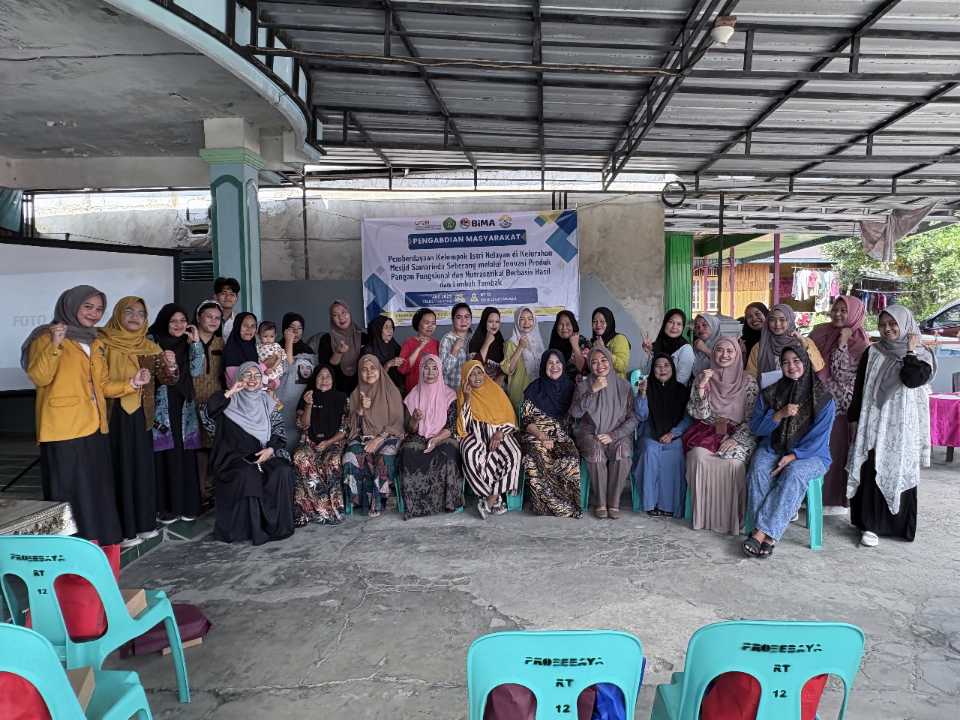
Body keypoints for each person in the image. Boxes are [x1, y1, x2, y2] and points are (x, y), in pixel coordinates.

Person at [22, 285, 147, 545]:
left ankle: (98, 543)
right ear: (70, 305)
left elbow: (102, 385)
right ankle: (70, 549)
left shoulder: (95, 341)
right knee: (69, 494)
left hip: (95, 426)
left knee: (96, 492)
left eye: (99, 309)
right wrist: (55, 344)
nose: (94, 313)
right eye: (87, 307)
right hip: (62, 429)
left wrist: (132, 383)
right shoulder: (45, 336)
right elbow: (39, 376)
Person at [846, 305, 935, 546]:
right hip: (873, 421)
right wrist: (853, 419)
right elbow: (860, 387)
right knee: (872, 466)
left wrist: (910, 351)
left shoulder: (922, 354)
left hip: (902, 426)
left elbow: (912, 379)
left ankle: (898, 526)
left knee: (898, 467)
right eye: (883, 324)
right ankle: (869, 526)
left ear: (905, 324)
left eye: (893, 324)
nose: (887, 329)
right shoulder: (873, 352)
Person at [743, 346, 836, 558]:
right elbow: (756, 428)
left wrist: (793, 456)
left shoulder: (823, 398)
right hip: (774, 446)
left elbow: (819, 438)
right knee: (758, 469)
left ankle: (761, 534)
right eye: (785, 362)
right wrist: (779, 415)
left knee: (794, 473)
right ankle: (766, 536)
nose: (791, 366)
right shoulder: (770, 393)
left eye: (796, 360)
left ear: (806, 362)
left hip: (811, 454)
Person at [99, 296, 177, 547]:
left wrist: (171, 366)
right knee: (118, 468)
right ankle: (122, 530)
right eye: (129, 312)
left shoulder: (149, 346)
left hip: (141, 416)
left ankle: (143, 524)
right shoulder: (102, 342)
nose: (135, 317)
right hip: (112, 415)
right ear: (118, 314)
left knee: (141, 468)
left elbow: (167, 380)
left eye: (141, 313)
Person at [205, 362, 296, 545]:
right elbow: (206, 415)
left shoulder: (267, 402)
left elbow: (279, 431)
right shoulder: (227, 402)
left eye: (257, 375)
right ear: (239, 378)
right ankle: (251, 530)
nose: (252, 379)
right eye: (247, 375)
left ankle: (277, 527)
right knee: (248, 474)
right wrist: (231, 392)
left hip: (265, 452)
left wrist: (271, 449)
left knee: (282, 471)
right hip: (234, 457)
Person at [685, 337, 759, 535]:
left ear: (737, 354)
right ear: (713, 353)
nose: (724, 355)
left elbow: (753, 418)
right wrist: (702, 387)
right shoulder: (702, 377)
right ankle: (704, 517)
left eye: (730, 351)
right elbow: (699, 414)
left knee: (733, 463)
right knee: (698, 457)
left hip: (739, 433)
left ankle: (731, 520)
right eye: (719, 350)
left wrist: (736, 439)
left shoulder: (749, 382)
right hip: (707, 430)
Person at [809, 296, 870, 514]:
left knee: (836, 448)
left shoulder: (860, 343)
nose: (838, 314)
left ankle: (833, 500)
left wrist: (843, 342)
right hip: (815, 400)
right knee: (815, 446)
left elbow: (841, 374)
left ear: (854, 313)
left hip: (841, 405)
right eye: (836, 309)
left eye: (844, 310)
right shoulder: (819, 332)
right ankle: (810, 496)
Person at [147, 303, 204, 524]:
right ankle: (167, 509)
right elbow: (149, 374)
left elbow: (197, 371)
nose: (179, 325)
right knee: (166, 455)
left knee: (184, 454)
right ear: (164, 322)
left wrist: (196, 343)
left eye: (182, 320)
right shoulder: (152, 341)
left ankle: (187, 506)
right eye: (173, 321)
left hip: (184, 406)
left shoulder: (187, 343)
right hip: (161, 406)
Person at [571, 347, 637, 519]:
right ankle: (600, 502)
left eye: (603, 360)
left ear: (610, 361)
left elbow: (633, 418)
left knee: (623, 452)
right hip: (590, 433)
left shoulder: (624, 386)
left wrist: (613, 435)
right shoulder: (583, 386)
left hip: (617, 433)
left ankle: (614, 502)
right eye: (594, 362)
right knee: (596, 451)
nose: (599, 365)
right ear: (589, 365)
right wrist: (592, 390)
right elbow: (575, 413)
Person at [398, 354, 462, 518]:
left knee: (448, 454)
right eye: (426, 368)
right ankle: (415, 506)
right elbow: (409, 429)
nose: (430, 372)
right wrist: (414, 419)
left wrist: (436, 439)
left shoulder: (449, 395)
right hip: (419, 436)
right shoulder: (413, 395)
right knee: (408, 452)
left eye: (434, 368)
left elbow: (451, 426)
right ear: (421, 370)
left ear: (440, 371)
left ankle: (447, 503)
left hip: (443, 436)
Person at [519, 349, 581, 517]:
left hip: (561, 435)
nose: (554, 366)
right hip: (535, 434)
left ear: (563, 365)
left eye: (558, 362)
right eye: (550, 363)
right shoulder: (534, 388)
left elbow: (575, 416)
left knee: (570, 457)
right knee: (535, 456)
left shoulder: (571, 388)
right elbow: (526, 420)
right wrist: (542, 436)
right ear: (544, 366)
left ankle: (566, 506)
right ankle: (542, 506)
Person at [457, 360, 522, 518]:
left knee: (514, 453)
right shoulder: (462, 393)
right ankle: (493, 498)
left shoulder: (495, 390)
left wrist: (500, 433)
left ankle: (491, 499)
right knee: (470, 453)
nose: (477, 377)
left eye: (479, 373)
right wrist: (467, 398)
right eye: (472, 374)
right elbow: (464, 426)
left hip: (500, 433)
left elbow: (510, 418)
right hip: (475, 435)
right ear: (466, 378)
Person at [343, 354, 406, 516]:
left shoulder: (391, 391)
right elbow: (352, 428)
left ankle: (378, 502)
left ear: (379, 369)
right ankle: (359, 500)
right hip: (363, 436)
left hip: (389, 436)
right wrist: (361, 409)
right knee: (351, 455)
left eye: (372, 368)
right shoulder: (356, 394)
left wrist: (379, 439)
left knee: (384, 456)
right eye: (364, 369)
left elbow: (398, 422)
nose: (369, 372)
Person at [633, 353, 692, 518]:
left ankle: (670, 505)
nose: (662, 369)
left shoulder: (682, 391)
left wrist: (673, 433)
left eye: (666, 365)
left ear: (672, 368)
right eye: (658, 366)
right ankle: (650, 503)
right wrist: (642, 394)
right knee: (649, 450)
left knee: (675, 453)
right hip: (649, 434)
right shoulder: (646, 388)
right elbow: (641, 416)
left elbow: (688, 418)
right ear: (653, 370)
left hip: (674, 435)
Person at [291, 365, 348, 526]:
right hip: (309, 442)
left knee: (332, 461)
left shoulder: (342, 398)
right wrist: (309, 404)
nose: (324, 380)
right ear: (314, 380)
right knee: (300, 456)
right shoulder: (307, 397)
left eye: (328, 376)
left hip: (333, 442)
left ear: (333, 380)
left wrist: (328, 443)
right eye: (320, 376)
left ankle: (333, 509)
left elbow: (345, 429)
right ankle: (320, 511)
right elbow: (303, 425)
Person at [745, 303, 824, 387]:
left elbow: (817, 367)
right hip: (769, 392)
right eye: (772, 320)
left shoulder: (804, 342)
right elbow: (751, 374)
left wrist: (803, 343)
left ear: (790, 320)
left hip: (800, 391)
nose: (777, 324)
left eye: (782, 319)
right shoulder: (759, 347)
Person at [193, 300, 224, 510]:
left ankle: (211, 491)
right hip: (191, 402)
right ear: (198, 317)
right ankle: (199, 492)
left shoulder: (222, 343)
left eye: (217, 318)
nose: (213, 321)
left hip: (215, 402)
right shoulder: (187, 340)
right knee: (196, 448)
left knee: (214, 446)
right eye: (209, 316)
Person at [310, 300, 366, 394]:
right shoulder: (326, 339)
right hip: (336, 391)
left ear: (349, 313)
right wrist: (338, 353)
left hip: (362, 389)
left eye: (344, 312)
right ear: (332, 319)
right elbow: (326, 369)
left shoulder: (363, 337)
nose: (341, 317)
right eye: (335, 315)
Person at [503, 306, 546, 406]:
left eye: (530, 319)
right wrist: (520, 347)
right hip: (520, 392)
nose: (526, 322)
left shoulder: (538, 341)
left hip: (538, 392)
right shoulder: (511, 343)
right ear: (517, 321)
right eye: (522, 319)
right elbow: (508, 369)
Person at [642, 308, 695, 385]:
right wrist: (647, 353)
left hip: (674, 391)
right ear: (664, 323)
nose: (674, 327)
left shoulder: (685, 349)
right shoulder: (656, 345)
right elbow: (645, 372)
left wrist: (661, 388)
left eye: (679, 324)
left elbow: (682, 379)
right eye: (671, 322)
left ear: (683, 327)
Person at [398, 308, 440, 394]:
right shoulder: (408, 343)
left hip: (433, 392)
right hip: (414, 392)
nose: (430, 326)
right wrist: (419, 348)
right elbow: (403, 369)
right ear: (418, 323)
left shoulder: (437, 344)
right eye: (427, 323)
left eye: (433, 323)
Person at [360, 314, 404, 390]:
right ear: (378, 330)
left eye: (391, 327)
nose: (390, 330)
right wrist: (388, 365)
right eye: (386, 327)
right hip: (376, 388)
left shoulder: (393, 345)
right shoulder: (368, 350)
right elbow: (369, 377)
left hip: (394, 387)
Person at [468, 306, 507, 386]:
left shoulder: (500, 341)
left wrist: (501, 377)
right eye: (490, 321)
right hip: (479, 387)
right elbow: (475, 366)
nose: (494, 325)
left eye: (497, 322)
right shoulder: (475, 341)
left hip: (496, 387)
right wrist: (487, 342)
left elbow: (504, 369)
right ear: (484, 322)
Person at [439, 302, 472, 390]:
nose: (463, 320)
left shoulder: (473, 338)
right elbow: (443, 371)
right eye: (458, 317)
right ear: (453, 320)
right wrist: (455, 350)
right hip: (452, 391)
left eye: (467, 317)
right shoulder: (447, 339)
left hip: (471, 391)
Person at [590, 306, 630, 378]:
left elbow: (622, 367)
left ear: (609, 322)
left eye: (602, 321)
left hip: (615, 384)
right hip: (598, 383)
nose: (598, 325)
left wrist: (603, 349)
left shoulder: (619, 339)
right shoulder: (594, 341)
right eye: (595, 321)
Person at [548, 309, 589, 379]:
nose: (564, 328)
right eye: (561, 324)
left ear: (573, 325)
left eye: (568, 324)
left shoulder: (582, 341)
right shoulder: (554, 342)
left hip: (579, 384)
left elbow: (583, 369)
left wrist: (575, 346)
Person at [222, 311, 259, 386]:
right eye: (245, 325)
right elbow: (237, 381)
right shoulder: (231, 350)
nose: (249, 329)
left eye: (253, 326)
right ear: (237, 327)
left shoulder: (254, 347)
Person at [256, 320, 287, 391]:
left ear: (275, 335)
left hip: (274, 370)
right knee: (261, 382)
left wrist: (272, 368)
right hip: (263, 371)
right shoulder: (258, 347)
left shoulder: (276, 346)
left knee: (276, 382)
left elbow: (279, 358)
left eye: (271, 336)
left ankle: (270, 387)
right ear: (259, 336)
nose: (268, 339)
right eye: (265, 336)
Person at [691, 313, 723, 378]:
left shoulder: (724, 344)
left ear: (714, 326)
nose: (700, 328)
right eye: (697, 326)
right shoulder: (696, 346)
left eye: (704, 325)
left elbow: (724, 364)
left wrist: (705, 350)